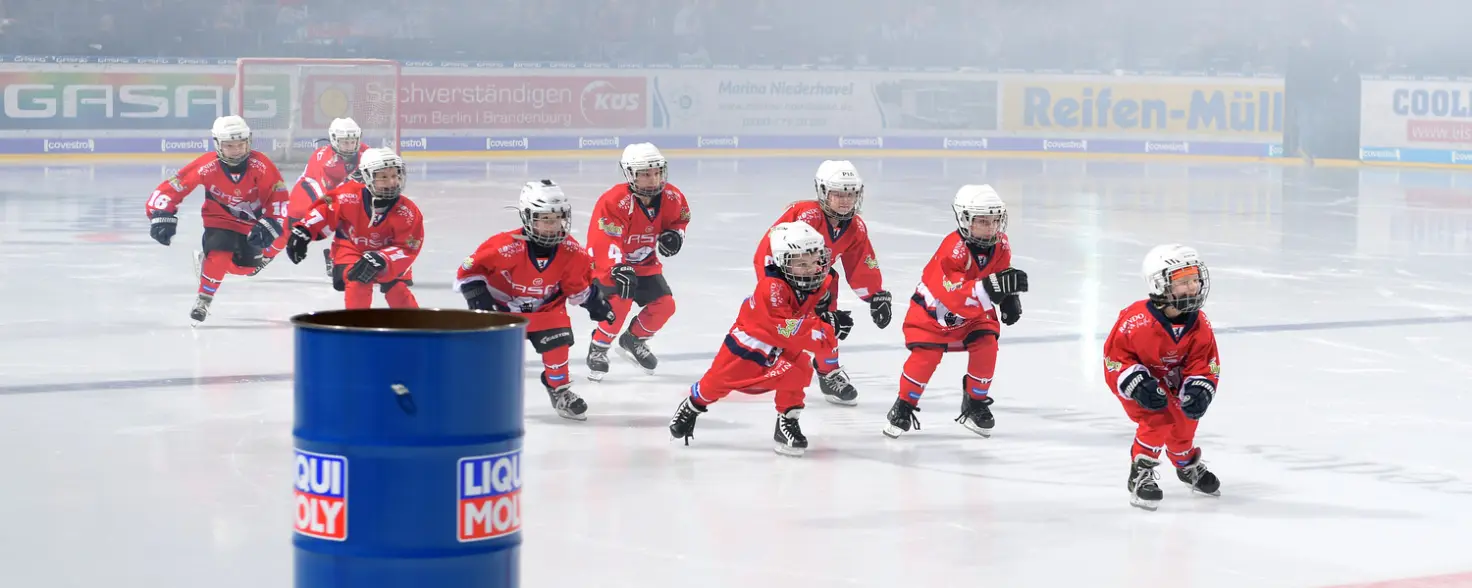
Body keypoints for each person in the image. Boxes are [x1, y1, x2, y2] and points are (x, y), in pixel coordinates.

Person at [668, 222, 841, 457]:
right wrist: (825, 328)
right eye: (801, 264)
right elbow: (786, 327)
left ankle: (787, 422)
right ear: (783, 262)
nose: (811, 268)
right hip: (749, 346)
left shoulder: (822, 280)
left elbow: (809, 317)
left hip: (786, 343)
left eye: (814, 261)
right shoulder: (772, 288)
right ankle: (692, 405)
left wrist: (828, 317)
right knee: (717, 383)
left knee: (799, 371)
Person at [456, 180, 616, 421]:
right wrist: (477, 295)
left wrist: (596, 302)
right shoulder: (502, 246)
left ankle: (559, 390)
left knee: (558, 350)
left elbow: (576, 287)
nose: (554, 226)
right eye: (546, 219)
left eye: (558, 218)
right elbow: (468, 271)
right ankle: (485, 395)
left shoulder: (572, 252)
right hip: (504, 313)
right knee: (495, 360)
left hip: (547, 312)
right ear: (528, 217)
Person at [884, 185, 1028, 439]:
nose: (991, 228)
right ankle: (904, 404)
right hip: (934, 314)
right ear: (965, 220)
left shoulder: (1001, 244)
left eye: (995, 221)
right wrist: (994, 289)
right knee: (925, 358)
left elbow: (1000, 272)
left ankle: (974, 402)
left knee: (987, 346)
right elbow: (954, 296)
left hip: (974, 313)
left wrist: (1008, 297)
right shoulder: (953, 248)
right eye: (983, 221)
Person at [751, 160, 892, 406]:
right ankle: (758, 359)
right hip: (781, 279)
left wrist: (875, 296)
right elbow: (770, 248)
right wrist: (777, 285)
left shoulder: (855, 227)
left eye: (850, 194)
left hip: (818, 282)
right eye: (838, 193)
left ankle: (829, 373)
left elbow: (862, 263)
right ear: (823, 192)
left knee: (827, 323)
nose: (845, 200)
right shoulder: (808, 215)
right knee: (779, 325)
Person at [1102, 244, 1222, 511]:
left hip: (1174, 382)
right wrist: (1135, 383)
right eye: (1182, 282)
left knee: (1184, 424)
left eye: (1194, 279)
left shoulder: (1199, 322)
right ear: (1160, 285)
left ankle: (1185, 463)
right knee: (1158, 420)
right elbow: (1114, 358)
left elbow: (1204, 361)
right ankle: (1141, 473)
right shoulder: (1135, 320)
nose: (1192, 287)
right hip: (1142, 384)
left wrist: (1200, 387)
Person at [144, 115, 288, 324]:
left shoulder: (262, 165)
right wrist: (161, 213)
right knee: (219, 255)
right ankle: (204, 299)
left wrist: (271, 221)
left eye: (241, 144)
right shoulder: (206, 165)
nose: (237, 150)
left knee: (247, 268)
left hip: (251, 223)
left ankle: (206, 261)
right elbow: (176, 185)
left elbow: (279, 197)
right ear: (218, 144)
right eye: (230, 146)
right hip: (219, 219)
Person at [583, 142, 691, 381]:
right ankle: (599, 347)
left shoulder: (672, 196)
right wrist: (616, 266)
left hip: (645, 264)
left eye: (656, 172)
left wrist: (676, 235)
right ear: (630, 174)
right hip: (608, 266)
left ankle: (633, 339)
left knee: (665, 305)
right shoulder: (614, 201)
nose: (653, 180)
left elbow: (681, 218)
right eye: (644, 174)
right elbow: (604, 239)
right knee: (620, 302)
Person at [283, 148, 422, 309]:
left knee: (397, 289)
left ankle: (413, 325)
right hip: (352, 249)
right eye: (383, 177)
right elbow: (325, 211)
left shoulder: (408, 212)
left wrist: (382, 258)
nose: (392, 182)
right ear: (367, 177)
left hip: (388, 255)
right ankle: (357, 324)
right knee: (357, 278)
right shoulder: (347, 195)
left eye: (394, 176)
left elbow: (408, 248)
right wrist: (303, 231)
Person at [265, 117, 369, 275]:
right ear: (334, 140)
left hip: (338, 193)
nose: (349, 147)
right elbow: (329, 196)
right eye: (344, 142)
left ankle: (335, 256)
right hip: (309, 191)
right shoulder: (326, 161)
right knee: (292, 227)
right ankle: (266, 254)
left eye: (352, 141)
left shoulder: (367, 154)